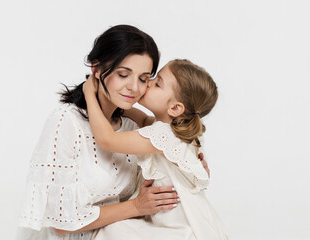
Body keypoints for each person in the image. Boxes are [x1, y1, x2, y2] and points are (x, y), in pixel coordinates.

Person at [17, 25, 188, 240]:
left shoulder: (132, 126)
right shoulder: (66, 121)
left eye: (143, 79)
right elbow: (61, 224)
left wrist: (187, 157)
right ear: (96, 69)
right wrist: (136, 206)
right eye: (123, 74)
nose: (134, 88)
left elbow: (168, 136)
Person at [83, 59, 229, 240]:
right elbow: (144, 121)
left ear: (175, 108)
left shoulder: (165, 135)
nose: (148, 82)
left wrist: (90, 95)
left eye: (158, 83)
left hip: (175, 228)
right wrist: (117, 99)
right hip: (176, 218)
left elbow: (107, 140)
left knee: (113, 230)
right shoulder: (172, 130)